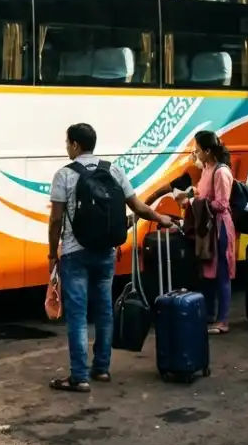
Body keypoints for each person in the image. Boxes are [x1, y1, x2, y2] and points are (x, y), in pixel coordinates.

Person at [47, 123, 174, 392]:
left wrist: (51, 254)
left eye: (67, 142)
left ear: (75, 145)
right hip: (106, 252)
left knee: (78, 315)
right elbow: (137, 206)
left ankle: (79, 376)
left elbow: (56, 218)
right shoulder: (113, 170)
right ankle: (102, 369)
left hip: (74, 253)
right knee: (104, 310)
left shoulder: (64, 176)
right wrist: (160, 217)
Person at [179, 130, 236, 334]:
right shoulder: (206, 168)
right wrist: (194, 196)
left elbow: (221, 204)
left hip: (219, 229)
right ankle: (210, 315)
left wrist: (195, 202)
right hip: (208, 228)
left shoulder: (221, 172)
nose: (195, 154)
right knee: (208, 272)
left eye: (198, 150)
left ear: (208, 150)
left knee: (221, 273)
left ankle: (223, 320)